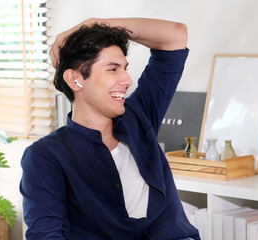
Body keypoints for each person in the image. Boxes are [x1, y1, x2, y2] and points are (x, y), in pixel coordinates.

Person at [20, 18, 200, 239]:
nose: (126, 79)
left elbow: (175, 35)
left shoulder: (139, 115)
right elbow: (46, 234)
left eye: (124, 68)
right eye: (112, 69)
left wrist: (93, 23)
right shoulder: (46, 156)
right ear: (75, 80)